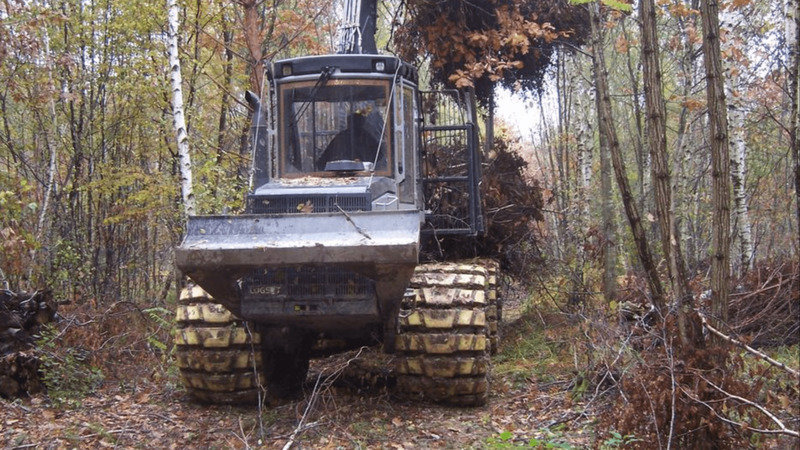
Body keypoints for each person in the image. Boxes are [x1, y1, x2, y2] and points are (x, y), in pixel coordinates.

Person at [316, 109, 386, 171]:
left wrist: (365, 163)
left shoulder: (367, 138)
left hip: (365, 176)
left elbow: (379, 156)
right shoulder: (341, 138)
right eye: (354, 122)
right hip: (339, 176)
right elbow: (322, 161)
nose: (355, 125)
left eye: (358, 122)